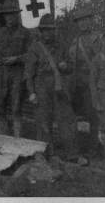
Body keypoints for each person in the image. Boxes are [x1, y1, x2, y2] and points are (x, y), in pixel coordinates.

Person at [25, 14, 80, 161]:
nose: (48, 33)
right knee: (43, 122)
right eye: (45, 30)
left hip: (59, 87)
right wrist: (31, 92)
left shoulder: (61, 46)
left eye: (51, 30)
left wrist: (65, 66)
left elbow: (70, 68)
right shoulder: (35, 48)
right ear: (41, 31)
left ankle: (72, 154)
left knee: (67, 120)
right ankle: (48, 154)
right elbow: (29, 74)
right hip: (41, 87)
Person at [68, 8, 103, 155]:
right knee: (79, 115)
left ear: (90, 20)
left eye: (85, 20)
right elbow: (71, 61)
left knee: (93, 115)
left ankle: (95, 147)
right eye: (80, 21)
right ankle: (83, 146)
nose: (82, 23)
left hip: (93, 83)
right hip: (78, 83)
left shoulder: (98, 38)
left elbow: (102, 62)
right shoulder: (75, 40)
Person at [0, 3, 30, 136]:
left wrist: (17, 58)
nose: (9, 18)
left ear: (17, 15)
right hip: (1, 73)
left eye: (12, 15)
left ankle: (17, 139)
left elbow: (31, 54)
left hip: (17, 73)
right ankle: (3, 138)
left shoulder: (25, 33)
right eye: (7, 16)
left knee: (16, 106)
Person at [91, 34, 105, 163]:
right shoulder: (97, 59)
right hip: (103, 95)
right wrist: (96, 102)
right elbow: (92, 82)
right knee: (104, 126)